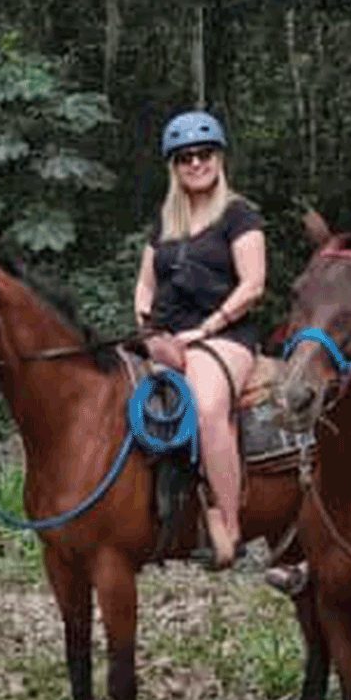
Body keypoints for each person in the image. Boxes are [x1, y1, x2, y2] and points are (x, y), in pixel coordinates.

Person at [134, 110, 265, 571]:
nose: (195, 164)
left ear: (218, 158)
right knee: (135, 403)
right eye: (185, 157)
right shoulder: (166, 221)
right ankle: (157, 518)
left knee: (208, 406)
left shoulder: (238, 214)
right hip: (167, 334)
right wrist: (149, 332)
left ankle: (231, 529)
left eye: (204, 154)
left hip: (225, 333)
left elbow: (253, 285)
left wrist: (204, 330)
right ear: (174, 166)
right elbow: (146, 286)